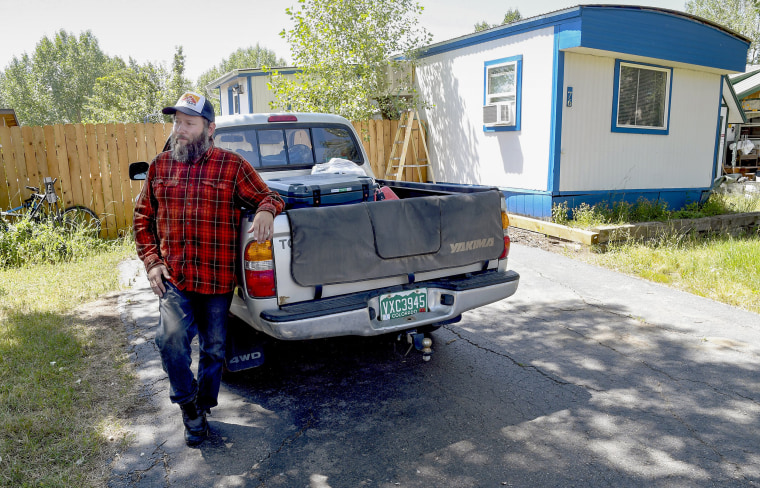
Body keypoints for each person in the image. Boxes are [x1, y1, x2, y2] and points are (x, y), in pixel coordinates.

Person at [133, 92, 284, 447]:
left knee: (215, 351)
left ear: (208, 128)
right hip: (175, 277)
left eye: (188, 123)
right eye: (177, 122)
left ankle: (204, 405)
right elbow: (143, 218)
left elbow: (270, 196)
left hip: (217, 280)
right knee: (170, 342)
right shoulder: (160, 166)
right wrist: (152, 263)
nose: (180, 130)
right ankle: (189, 409)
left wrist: (265, 211)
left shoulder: (232, 166)